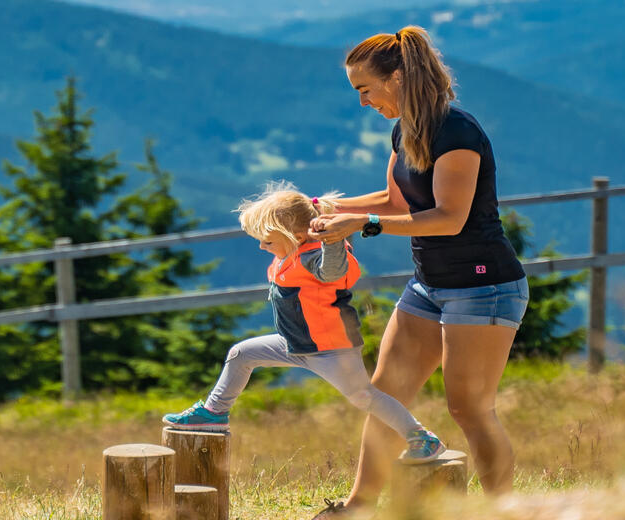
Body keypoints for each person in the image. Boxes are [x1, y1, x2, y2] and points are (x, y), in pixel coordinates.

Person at [306, 25, 529, 518]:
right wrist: (321, 206)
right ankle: (356, 507)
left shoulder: (458, 132)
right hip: (429, 285)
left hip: (483, 285)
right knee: (385, 394)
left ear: (398, 77)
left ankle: (503, 512)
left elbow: (449, 217)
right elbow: (394, 200)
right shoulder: (404, 128)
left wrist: (361, 224)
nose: (363, 102)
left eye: (365, 90)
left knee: (468, 409)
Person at [162, 181, 447, 467]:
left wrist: (332, 240)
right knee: (242, 354)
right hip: (295, 344)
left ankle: (421, 437)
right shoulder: (289, 254)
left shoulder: (315, 257)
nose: (262, 246)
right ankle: (214, 413)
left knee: (364, 396)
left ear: (297, 235)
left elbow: (334, 272)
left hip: (330, 350)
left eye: (267, 240)